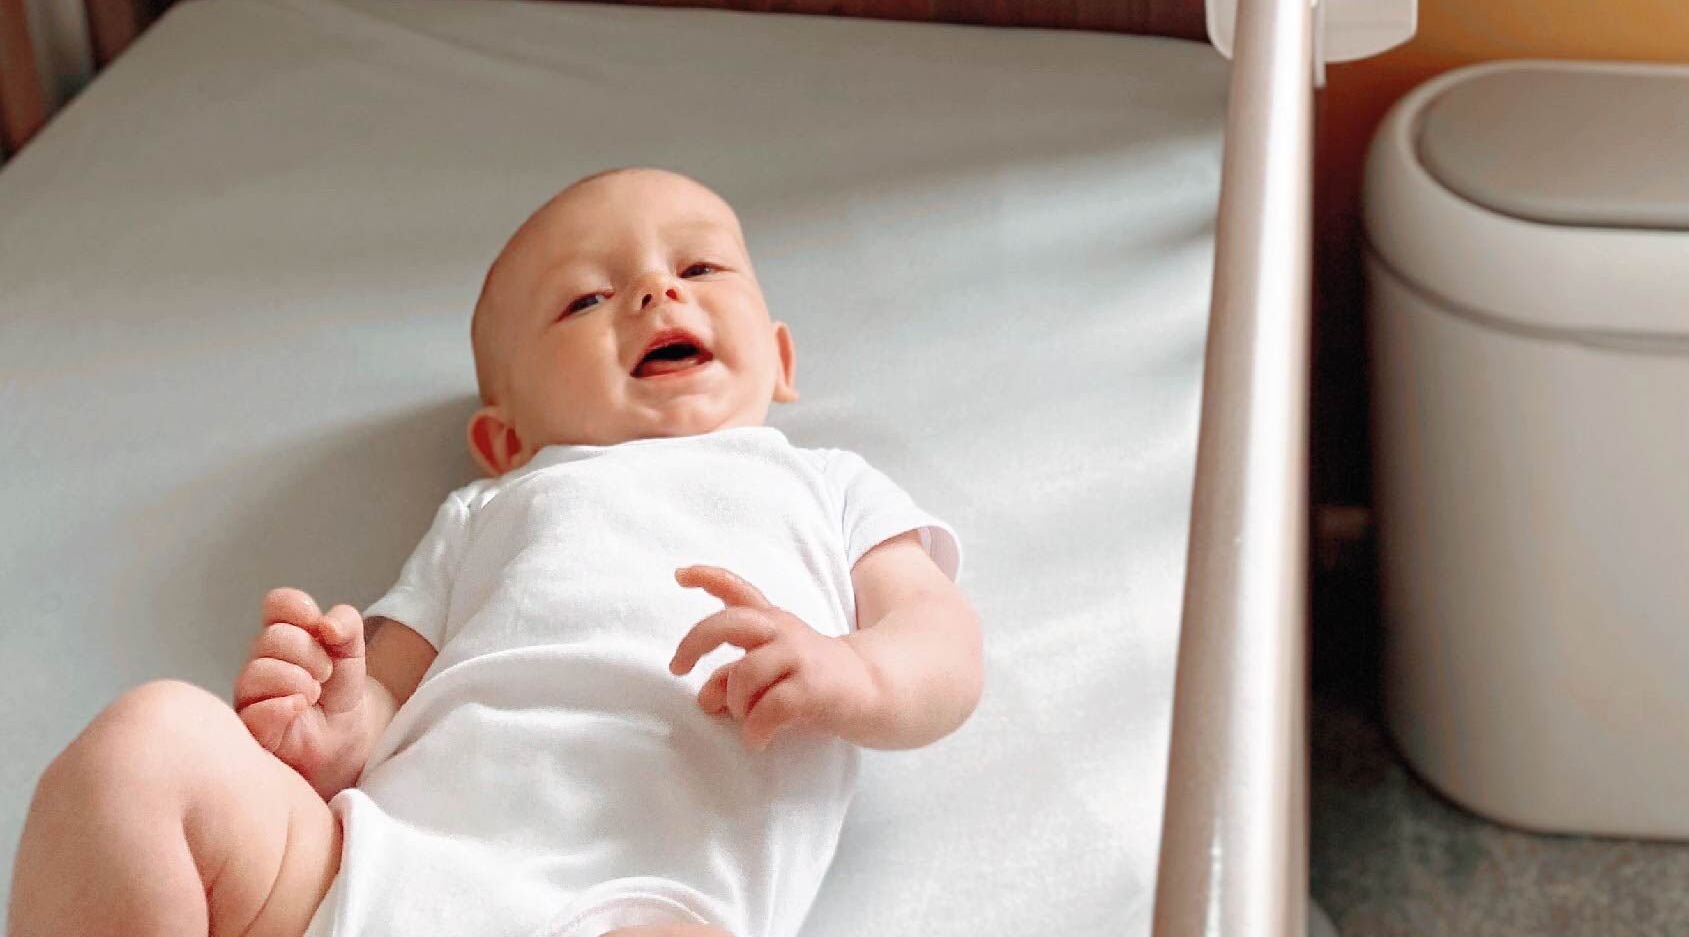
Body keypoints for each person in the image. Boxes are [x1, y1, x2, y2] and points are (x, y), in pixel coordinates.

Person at [10, 169, 980, 937]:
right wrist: (337, 727)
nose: (654, 288)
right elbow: (385, 698)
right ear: (505, 435)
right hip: (372, 874)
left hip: (636, 901)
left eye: (702, 267)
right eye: (586, 298)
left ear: (780, 357)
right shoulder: (489, 508)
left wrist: (852, 668)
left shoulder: (820, 481)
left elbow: (938, 636)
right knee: (147, 743)